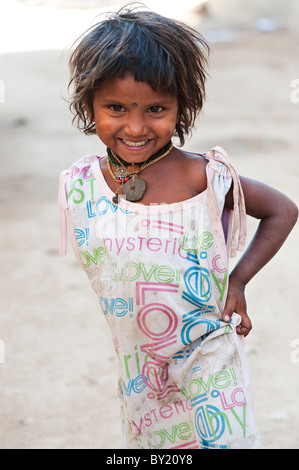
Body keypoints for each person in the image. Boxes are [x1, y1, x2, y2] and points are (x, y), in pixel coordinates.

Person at [58, 4, 298, 449]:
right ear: (88, 103)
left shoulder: (201, 175)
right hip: (139, 368)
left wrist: (238, 280)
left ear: (180, 106)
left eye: (155, 109)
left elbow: (282, 210)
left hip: (209, 356)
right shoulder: (83, 185)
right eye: (115, 107)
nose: (135, 126)